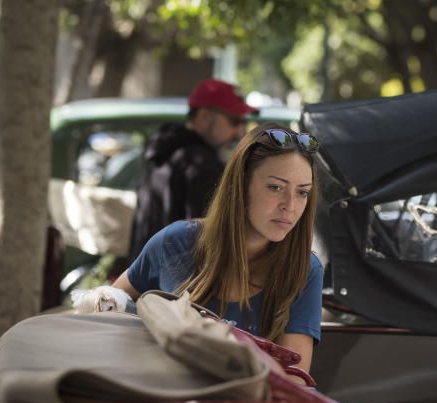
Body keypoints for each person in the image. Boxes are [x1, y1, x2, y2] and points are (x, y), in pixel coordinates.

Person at [112, 125, 324, 377]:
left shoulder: (304, 269)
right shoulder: (174, 242)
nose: (290, 206)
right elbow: (105, 309)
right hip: (158, 399)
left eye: (302, 192)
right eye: (275, 187)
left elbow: (294, 383)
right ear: (240, 185)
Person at [129, 78, 256, 260]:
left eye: (244, 122)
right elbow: (209, 241)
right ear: (204, 117)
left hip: (145, 278)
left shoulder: (164, 154)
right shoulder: (200, 165)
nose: (241, 132)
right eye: (235, 121)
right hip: (175, 283)